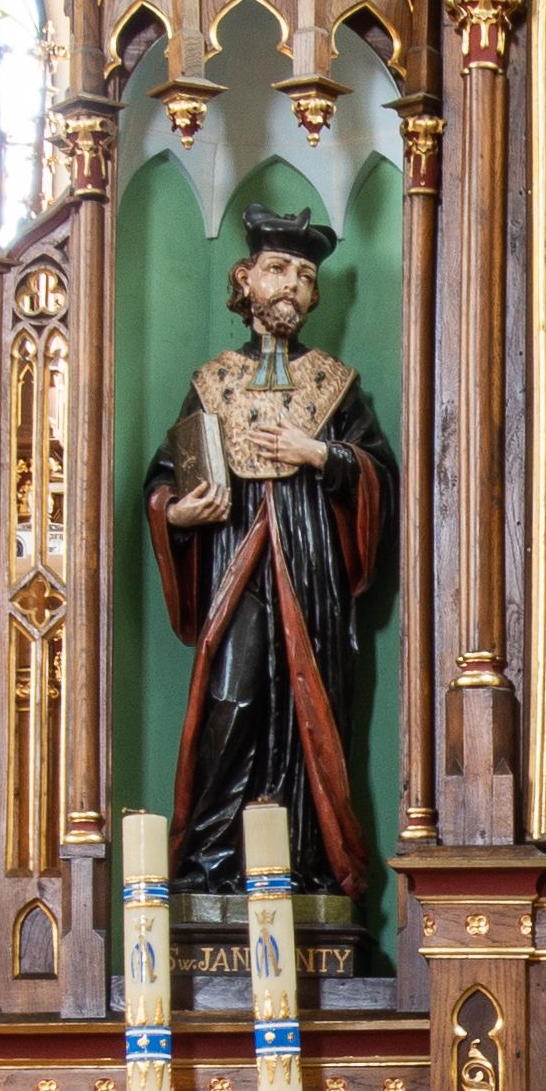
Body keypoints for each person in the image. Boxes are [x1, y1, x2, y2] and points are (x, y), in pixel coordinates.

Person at [146, 200, 397, 899]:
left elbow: (379, 477)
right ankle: (212, 862)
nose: (291, 285)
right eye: (278, 269)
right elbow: (165, 479)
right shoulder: (212, 382)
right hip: (237, 567)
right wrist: (179, 512)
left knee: (305, 709)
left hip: (312, 576)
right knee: (233, 699)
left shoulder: (335, 385)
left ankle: (305, 861)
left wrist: (317, 452)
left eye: (305, 276)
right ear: (246, 279)